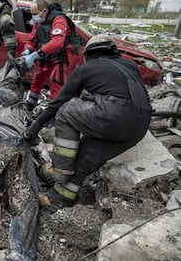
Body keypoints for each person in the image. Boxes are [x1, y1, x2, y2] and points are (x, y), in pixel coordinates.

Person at [24, 34, 152, 213]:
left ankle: (59, 169)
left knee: (66, 112)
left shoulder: (87, 68)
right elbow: (121, 91)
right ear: (113, 51)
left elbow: (58, 102)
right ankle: (57, 200)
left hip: (114, 115)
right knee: (84, 158)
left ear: (88, 54)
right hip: (139, 127)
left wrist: (35, 126)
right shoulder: (130, 66)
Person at [22, 0, 80, 110]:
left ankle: (55, 113)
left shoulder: (59, 20)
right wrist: (28, 50)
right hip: (49, 55)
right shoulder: (38, 22)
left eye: (34, 14)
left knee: (56, 80)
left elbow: (57, 43)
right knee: (38, 77)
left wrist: (35, 55)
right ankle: (30, 105)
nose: (33, 17)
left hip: (63, 55)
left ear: (44, 11)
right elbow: (32, 39)